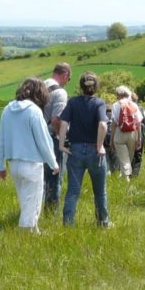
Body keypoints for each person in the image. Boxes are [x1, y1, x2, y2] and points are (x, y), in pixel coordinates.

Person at [0, 77, 59, 233]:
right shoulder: (34, 111)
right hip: (32, 164)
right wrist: (53, 163)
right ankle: (25, 235)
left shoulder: (7, 110)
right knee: (34, 201)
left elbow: (2, 139)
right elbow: (43, 140)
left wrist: (0, 166)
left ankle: (34, 232)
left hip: (14, 164)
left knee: (25, 201)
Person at [56, 71, 111, 227]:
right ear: (95, 87)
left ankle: (68, 224)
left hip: (75, 150)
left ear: (81, 86)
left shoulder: (72, 102)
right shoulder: (99, 103)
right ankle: (103, 223)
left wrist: (61, 144)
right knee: (100, 191)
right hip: (95, 151)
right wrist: (100, 145)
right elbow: (102, 124)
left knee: (73, 191)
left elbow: (64, 123)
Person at [42, 62, 71, 210]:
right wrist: (62, 138)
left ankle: (37, 209)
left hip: (36, 137)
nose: (67, 82)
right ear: (65, 75)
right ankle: (51, 210)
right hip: (51, 137)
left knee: (40, 176)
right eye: (68, 79)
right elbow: (56, 119)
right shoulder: (60, 92)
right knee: (54, 174)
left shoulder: (41, 86)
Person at [109, 85, 143, 179]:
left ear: (119, 95)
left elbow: (114, 123)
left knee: (124, 160)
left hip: (120, 133)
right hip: (133, 133)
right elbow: (139, 122)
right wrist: (139, 138)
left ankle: (126, 179)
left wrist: (112, 139)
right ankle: (126, 177)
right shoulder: (134, 105)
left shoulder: (116, 105)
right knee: (129, 158)